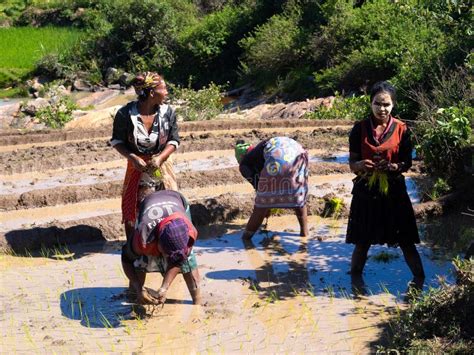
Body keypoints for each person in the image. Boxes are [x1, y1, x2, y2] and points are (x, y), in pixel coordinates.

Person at [346, 81, 425, 290]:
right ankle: (355, 284)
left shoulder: (401, 129)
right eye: (377, 104)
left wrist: (393, 166)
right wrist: (360, 165)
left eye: (386, 104)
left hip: (394, 192)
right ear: (370, 103)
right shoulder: (359, 129)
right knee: (362, 241)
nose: (382, 109)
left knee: (406, 240)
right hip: (366, 191)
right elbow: (352, 163)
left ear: (393, 105)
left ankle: (420, 281)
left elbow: (407, 162)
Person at [110, 71, 179, 242]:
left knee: (168, 204)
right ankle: (134, 247)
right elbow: (117, 141)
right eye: (164, 88)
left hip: (161, 166)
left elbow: (174, 140)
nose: (167, 92)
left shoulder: (168, 113)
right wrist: (132, 157)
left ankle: (165, 241)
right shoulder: (125, 114)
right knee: (133, 208)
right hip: (136, 166)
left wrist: (160, 158)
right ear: (152, 93)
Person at [121, 190, 201, 305]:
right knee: (140, 260)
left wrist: (164, 288)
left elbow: (179, 259)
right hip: (149, 203)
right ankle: (135, 295)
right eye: (166, 254)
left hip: (177, 200)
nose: (167, 259)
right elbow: (126, 258)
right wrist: (139, 288)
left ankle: (198, 302)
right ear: (158, 243)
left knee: (188, 260)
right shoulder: (144, 237)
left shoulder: (189, 233)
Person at [236, 136, 309, 240]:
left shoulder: (244, 164)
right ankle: (304, 234)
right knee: (299, 199)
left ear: (240, 157)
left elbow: (260, 187)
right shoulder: (259, 152)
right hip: (298, 154)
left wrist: (266, 205)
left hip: (278, 158)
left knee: (260, 207)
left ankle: (246, 239)